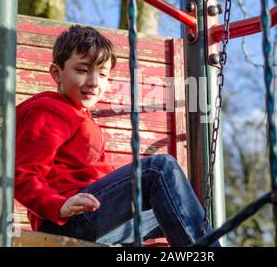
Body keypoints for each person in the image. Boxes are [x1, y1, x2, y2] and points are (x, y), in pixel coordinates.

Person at [15, 25, 220, 247]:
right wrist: (58, 205)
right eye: (82, 70)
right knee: (158, 168)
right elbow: (23, 175)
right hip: (66, 219)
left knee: (182, 211)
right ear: (56, 73)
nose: (94, 82)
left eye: (102, 74)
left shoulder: (81, 116)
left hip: (91, 215)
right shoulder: (49, 110)